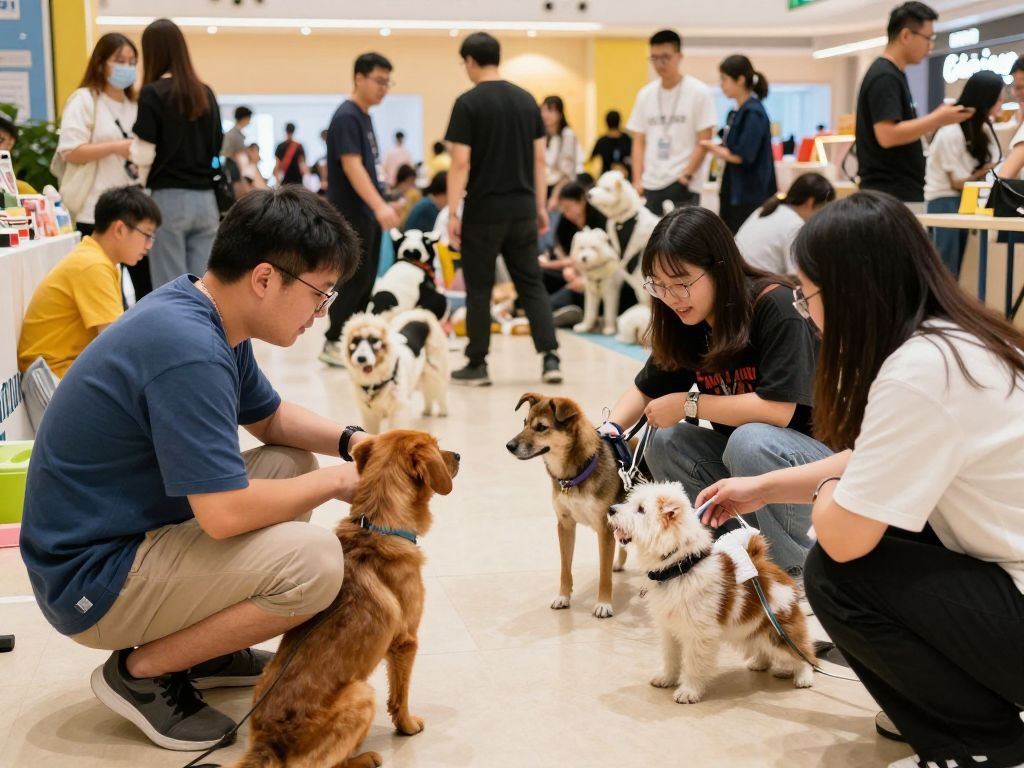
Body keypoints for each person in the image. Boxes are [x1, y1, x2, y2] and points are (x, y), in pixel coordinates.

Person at [19, 186, 363, 752]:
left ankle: (206, 642)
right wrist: (337, 481)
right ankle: (144, 672)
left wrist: (356, 443)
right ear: (264, 278)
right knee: (315, 564)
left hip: (125, 533)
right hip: (90, 579)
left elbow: (272, 421)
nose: (319, 314)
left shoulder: (207, 313)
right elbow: (224, 514)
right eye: (319, 295)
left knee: (289, 462)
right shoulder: (189, 348)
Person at [695, 191, 1024, 768]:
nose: (805, 309)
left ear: (849, 292)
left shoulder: (920, 373)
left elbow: (845, 535)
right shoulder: (955, 341)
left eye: (807, 293)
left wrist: (825, 496)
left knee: (837, 574)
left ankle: (985, 746)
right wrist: (764, 487)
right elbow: (866, 458)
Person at [599, 205, 830, 576]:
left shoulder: (774, 304)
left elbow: (778, 411)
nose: (672, 296)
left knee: (748, 440)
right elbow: (645, 389)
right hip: (755, 466)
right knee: (666, 439)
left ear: (719, 267)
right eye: (658, 285)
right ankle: (731, 557)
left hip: (815, 469)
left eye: (682, 282)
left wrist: (691, 403)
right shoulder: (687, 320)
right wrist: (606, 435)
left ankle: (791, 571)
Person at [445, 31, 562, 386]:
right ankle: (551, 358)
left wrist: (452, 212)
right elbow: (540, 159)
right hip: (524, 208)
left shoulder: (467, 103)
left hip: (483, 211)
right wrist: (540, 205)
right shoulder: (527, 101)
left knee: (479, 288)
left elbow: (460, 163)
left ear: (469, 61)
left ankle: (477, 364)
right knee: (531, 284)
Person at [18, 186, 160, 379]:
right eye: (148, 235)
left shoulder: (95, 258)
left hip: (60, 373)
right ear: (119, 229)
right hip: (54, 378)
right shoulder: (93, 266)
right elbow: (116, 344)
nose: (149, 245)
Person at [319, 52, 401, 368]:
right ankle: (334, 340)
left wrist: (383, 200)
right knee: (352, 281)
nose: (384, 88)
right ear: (359, 78)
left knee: (365, 281)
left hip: (365, 214)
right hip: (351, 214)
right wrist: (379, 205)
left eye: (387, 82)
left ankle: (348, 339)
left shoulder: (363, 116)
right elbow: (352, 166)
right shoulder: (347, 116)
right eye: (379, 81)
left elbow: (370, 168)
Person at [131, 18, 222, 294]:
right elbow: (216, 147)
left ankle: (174, 339)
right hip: (206, 201)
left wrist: (142, 184)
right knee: (207, 290)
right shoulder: (205, 92)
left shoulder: (152, 93)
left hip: (167, 199)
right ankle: (206, 337)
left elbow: (144, 153)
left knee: (171, 290)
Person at [854, 2, 974, 207]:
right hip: (890, 196)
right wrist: (937, 118)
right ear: (906, 35)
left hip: (895, 194)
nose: (931, 45)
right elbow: (887, 135)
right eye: (928, 38)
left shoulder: (893, 74)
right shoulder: (885, 76)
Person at [54, 33, 140, 238]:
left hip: (134, 211)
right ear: (100, 64)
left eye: (132, 62)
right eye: (120, 62)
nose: (127, 67)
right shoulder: (85, 100)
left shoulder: (136, 105)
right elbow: (71, 151)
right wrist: (116, 147)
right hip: (92, 210)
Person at [627, 29, 717, 215]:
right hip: (650, 183)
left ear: (679, 56)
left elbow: (705, 140)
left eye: (665, 57)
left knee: (682, 241)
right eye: (654, 58)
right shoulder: (645, 95)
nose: (660, 64)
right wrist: (637, 181)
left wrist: (685, 176)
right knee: (651, 241)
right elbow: (639, 140)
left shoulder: (698, 92)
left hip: (683, 183)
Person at [925, 71, 1004, 276]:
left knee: (954, 267)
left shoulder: (981, 130)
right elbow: (957, 183)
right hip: (944, 201)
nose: (1002, 103)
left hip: (963, 200)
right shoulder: (951, 132)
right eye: (999, 98)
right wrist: (982, 172)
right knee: (945, 268)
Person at [702, 55, 777, 234]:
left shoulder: (753, 113)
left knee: (742, 241)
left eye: (725, 79)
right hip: (734, 190)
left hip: (749, 195)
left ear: (741, 79)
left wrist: (712, 148)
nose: (721, 85)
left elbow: (743, 155)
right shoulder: (737, 112)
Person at [735, 172, 835, 275]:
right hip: (756, 284)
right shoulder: (795, 225)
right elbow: (797, 276)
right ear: (810, 202)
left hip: (740, 278)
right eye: (824, 208)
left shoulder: (767, 209)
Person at [590, 110, 632, 178]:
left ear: (606, 122)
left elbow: (591, 159)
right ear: (619, 122)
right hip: (625, 178)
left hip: (606, 177)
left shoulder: (602, 142)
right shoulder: (627, 140)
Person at [391, 163, 421, 228]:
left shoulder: (414, 194)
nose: (411, 186)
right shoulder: (393, 195)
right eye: (409, 182)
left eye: (413, 182)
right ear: (400, 182)